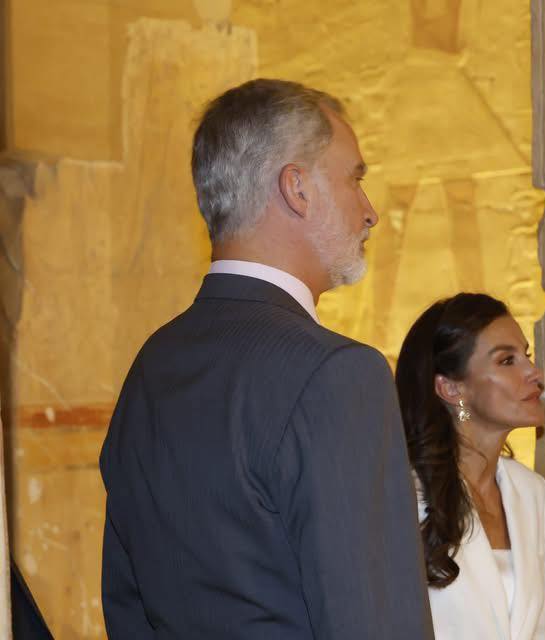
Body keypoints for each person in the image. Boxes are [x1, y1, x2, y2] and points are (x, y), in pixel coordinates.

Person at [99, 79, 434, 639]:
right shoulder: (339, 373)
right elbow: (373, 621)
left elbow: (126, 605)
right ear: (296, 189)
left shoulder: (152, 364)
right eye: (355, 179)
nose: (370, 212)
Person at [395, 293, 545, 640]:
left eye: (526, 355)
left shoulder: (531, 492)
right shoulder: (402, 493)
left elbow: (541, 629)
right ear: (451, 388)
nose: (534, 373)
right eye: (507, 361)